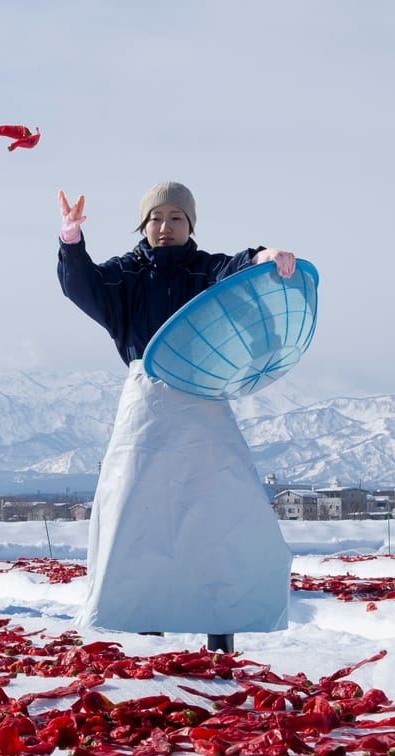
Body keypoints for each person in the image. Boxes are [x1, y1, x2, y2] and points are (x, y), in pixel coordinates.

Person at [56, 181, 296, 653]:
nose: (165, 227)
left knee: (219, 510)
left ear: (191, 225)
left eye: (176, 218)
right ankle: (148, 630)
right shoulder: (123, 274)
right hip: (146, 405)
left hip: (204, 400)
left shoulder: (204, 270)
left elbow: (235, 270)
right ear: (143, 225)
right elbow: (81, 285)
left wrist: (263, 256)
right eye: (156, 218)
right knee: (142, 513)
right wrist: (71, 242)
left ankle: (220, 627)